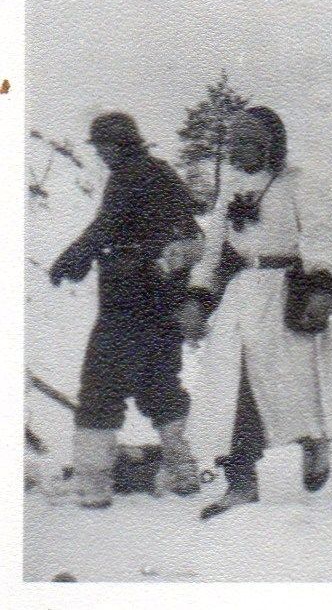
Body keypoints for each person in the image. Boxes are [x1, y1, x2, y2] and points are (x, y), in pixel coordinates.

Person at [179, 106, 332, 520]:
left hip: (287, 293)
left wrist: (325, 290)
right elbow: (214, 249)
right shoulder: (231, 187)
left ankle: (314, 441)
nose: (238, 149)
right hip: (242, 295)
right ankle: (240, 482)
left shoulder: (299, 183)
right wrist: (199, 296)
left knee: (292, 386)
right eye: (234, 141)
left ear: (271, 145)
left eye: (248, 141)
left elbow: (323, 239)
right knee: (231, 387)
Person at [49, 112, 203, 508]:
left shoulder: (128, 175)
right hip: (165, 299)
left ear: (119, 145)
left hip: (128, 298)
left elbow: (107, 224)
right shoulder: (164, 174)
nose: (100, 154)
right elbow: (190, 231)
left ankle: (92, 482)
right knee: (159, 381)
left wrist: (73, 258)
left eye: (103, 146)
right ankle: (183, 467)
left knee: (101, 384)